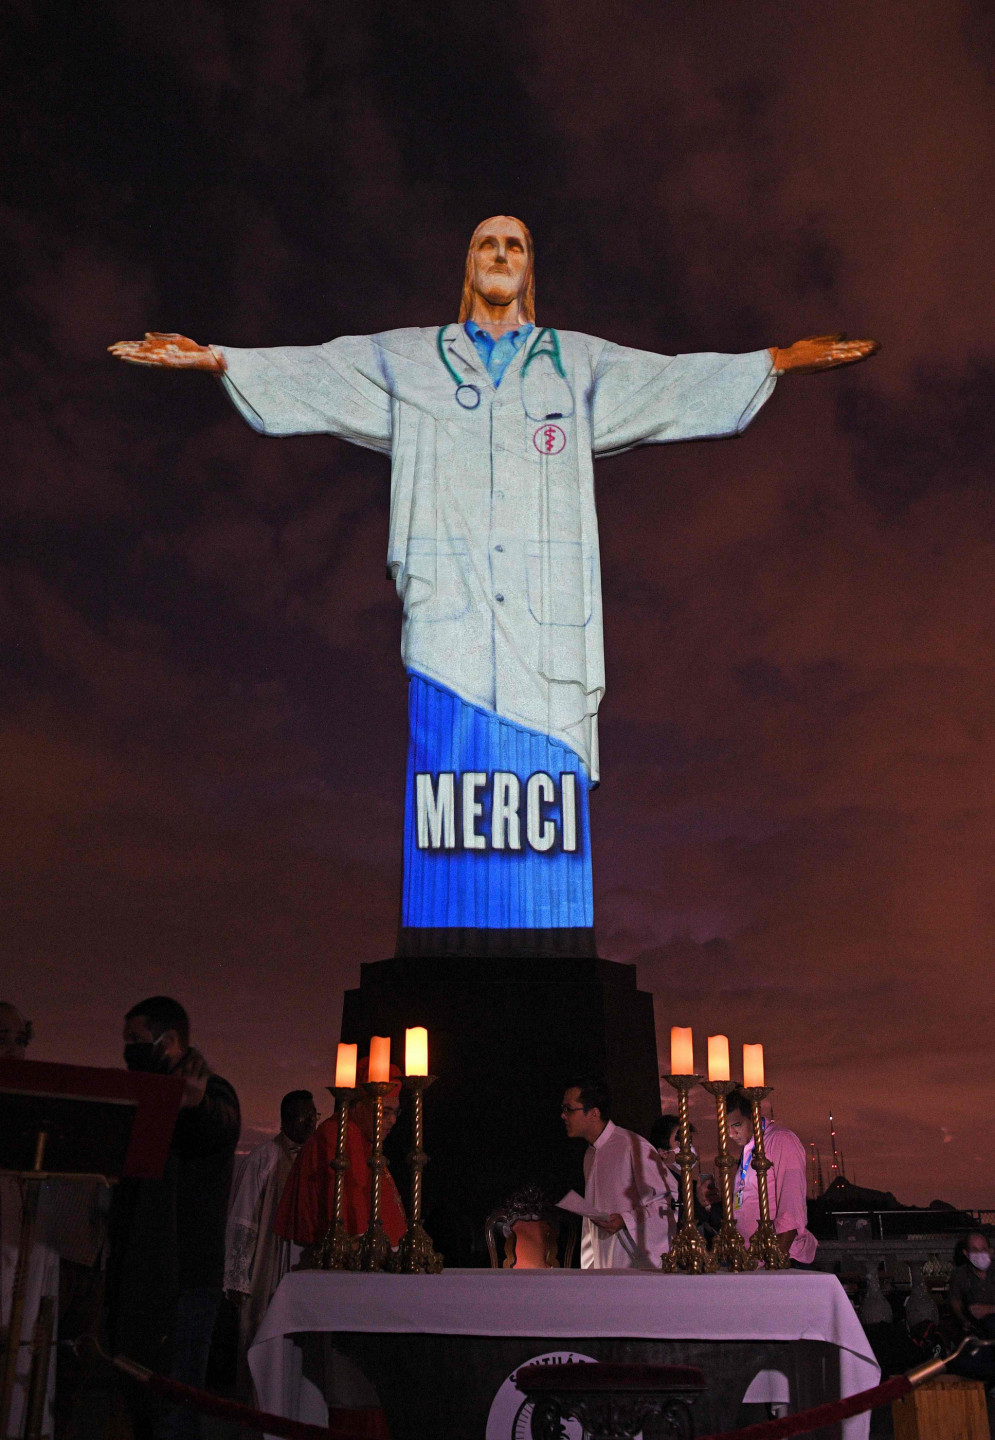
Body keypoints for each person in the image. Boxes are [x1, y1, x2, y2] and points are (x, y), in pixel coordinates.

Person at [109, 220, 878, 951]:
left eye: (514, 244)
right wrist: (217, 359)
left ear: (529, 266)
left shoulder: (575, 362)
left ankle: (543, 923)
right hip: (450, 623)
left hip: (546, 632)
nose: (501, 254)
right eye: (487, 244)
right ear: (469, 264)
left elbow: (670, 382)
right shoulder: (412, 357)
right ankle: (450, 928)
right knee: (449, 790)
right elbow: (320, 368)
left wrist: (772, 361)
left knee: (542, 803)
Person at [108, 996, 240, 1440]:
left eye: (137, 1039)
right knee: (141, 1399)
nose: (129, 1049)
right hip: (143, 1273)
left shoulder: (213, 1090)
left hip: (186, 1277)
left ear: (169, 1042)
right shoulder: (145, 1096)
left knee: (175, 1405)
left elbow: (218, 1126)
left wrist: (194, 1105)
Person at [224, 1091, 317, 1397]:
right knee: (262, 1336)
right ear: (286, 1120)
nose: (310, 1122)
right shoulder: (263, 1159)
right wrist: (238, 1276)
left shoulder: (321, 1160)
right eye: (303, 1116)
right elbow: (243, 1218)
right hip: (269, 1262)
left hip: (304, 1263)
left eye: (313, 1115)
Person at [273, 1058, 406, 1251]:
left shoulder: (363, 1139)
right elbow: (347, 1224)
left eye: (396, 1112)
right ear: (358, 1105)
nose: (392, 1120)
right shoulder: (337, 1136)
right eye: (385, 1112)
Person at [561, 1076, 671, 1268]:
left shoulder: (633, 1146)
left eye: (569, 1109)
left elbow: (667, 1201)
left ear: (594, 1113)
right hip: (605, 1261)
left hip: (636, 1263)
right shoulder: (590, 1153)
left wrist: (625, 1220)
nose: (563, 1115)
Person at [726, 1089, 817, 1266]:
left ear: (753, 1116)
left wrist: (775, 1262)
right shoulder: (749, 1149)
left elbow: (791, 1206)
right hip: (751, 1259)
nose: (730, 1133)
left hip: (779, 1258)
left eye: (736, 1124)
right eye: (725, 1126)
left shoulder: (781, 1140)